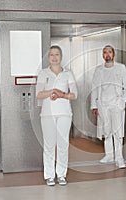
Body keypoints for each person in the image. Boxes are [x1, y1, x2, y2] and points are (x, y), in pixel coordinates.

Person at [36, 45, 77, 186]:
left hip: (65, 114)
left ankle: (61, 175)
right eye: (52, 55)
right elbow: (39, 94)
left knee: (62, 144)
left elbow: (74, 94)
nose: (54, 57)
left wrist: (62, 95)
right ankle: (49, 175)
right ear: (48, 58)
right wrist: (53, 91)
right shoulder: (43, 73)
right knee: (49, 145)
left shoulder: (68, 73)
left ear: (61, 56)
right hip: (47, 115)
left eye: (57, 54)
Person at [91, 45, 126, 169]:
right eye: (105, 52)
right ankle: (109, 155)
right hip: (103, 104)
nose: (107, 54)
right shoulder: (98, 69)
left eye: (109, 52)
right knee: (106, 130)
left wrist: (122, 101)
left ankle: (119, 158)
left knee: (117, 131)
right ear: (102, 55)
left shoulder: (121, 68)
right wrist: (94, 105)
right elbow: (94, 87)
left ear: (113, 54)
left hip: (116, 104)